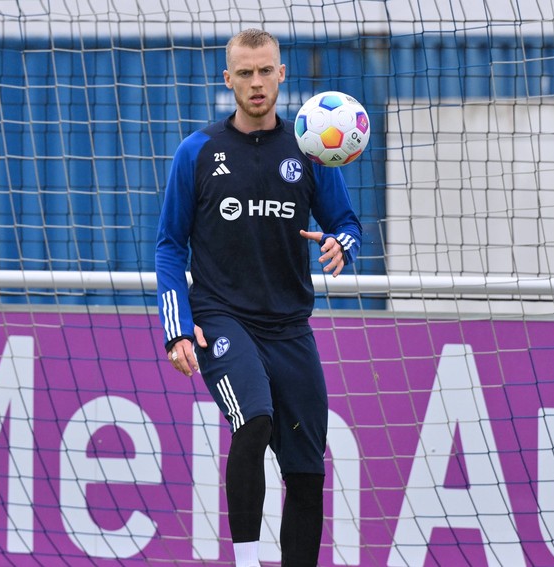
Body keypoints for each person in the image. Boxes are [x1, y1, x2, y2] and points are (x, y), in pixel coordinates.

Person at [155, 28, 362, 567]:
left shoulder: (310, 150)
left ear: (281, 75)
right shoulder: (197, 152)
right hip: (222, 318)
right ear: (228, 81)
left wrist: (342, 245)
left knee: (308, 472)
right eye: (244, 73)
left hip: (291, 327)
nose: (255, 82)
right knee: (254, 423)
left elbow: (345, 223)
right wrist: (177, 329)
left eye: (265, 70)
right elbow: (169, 247)